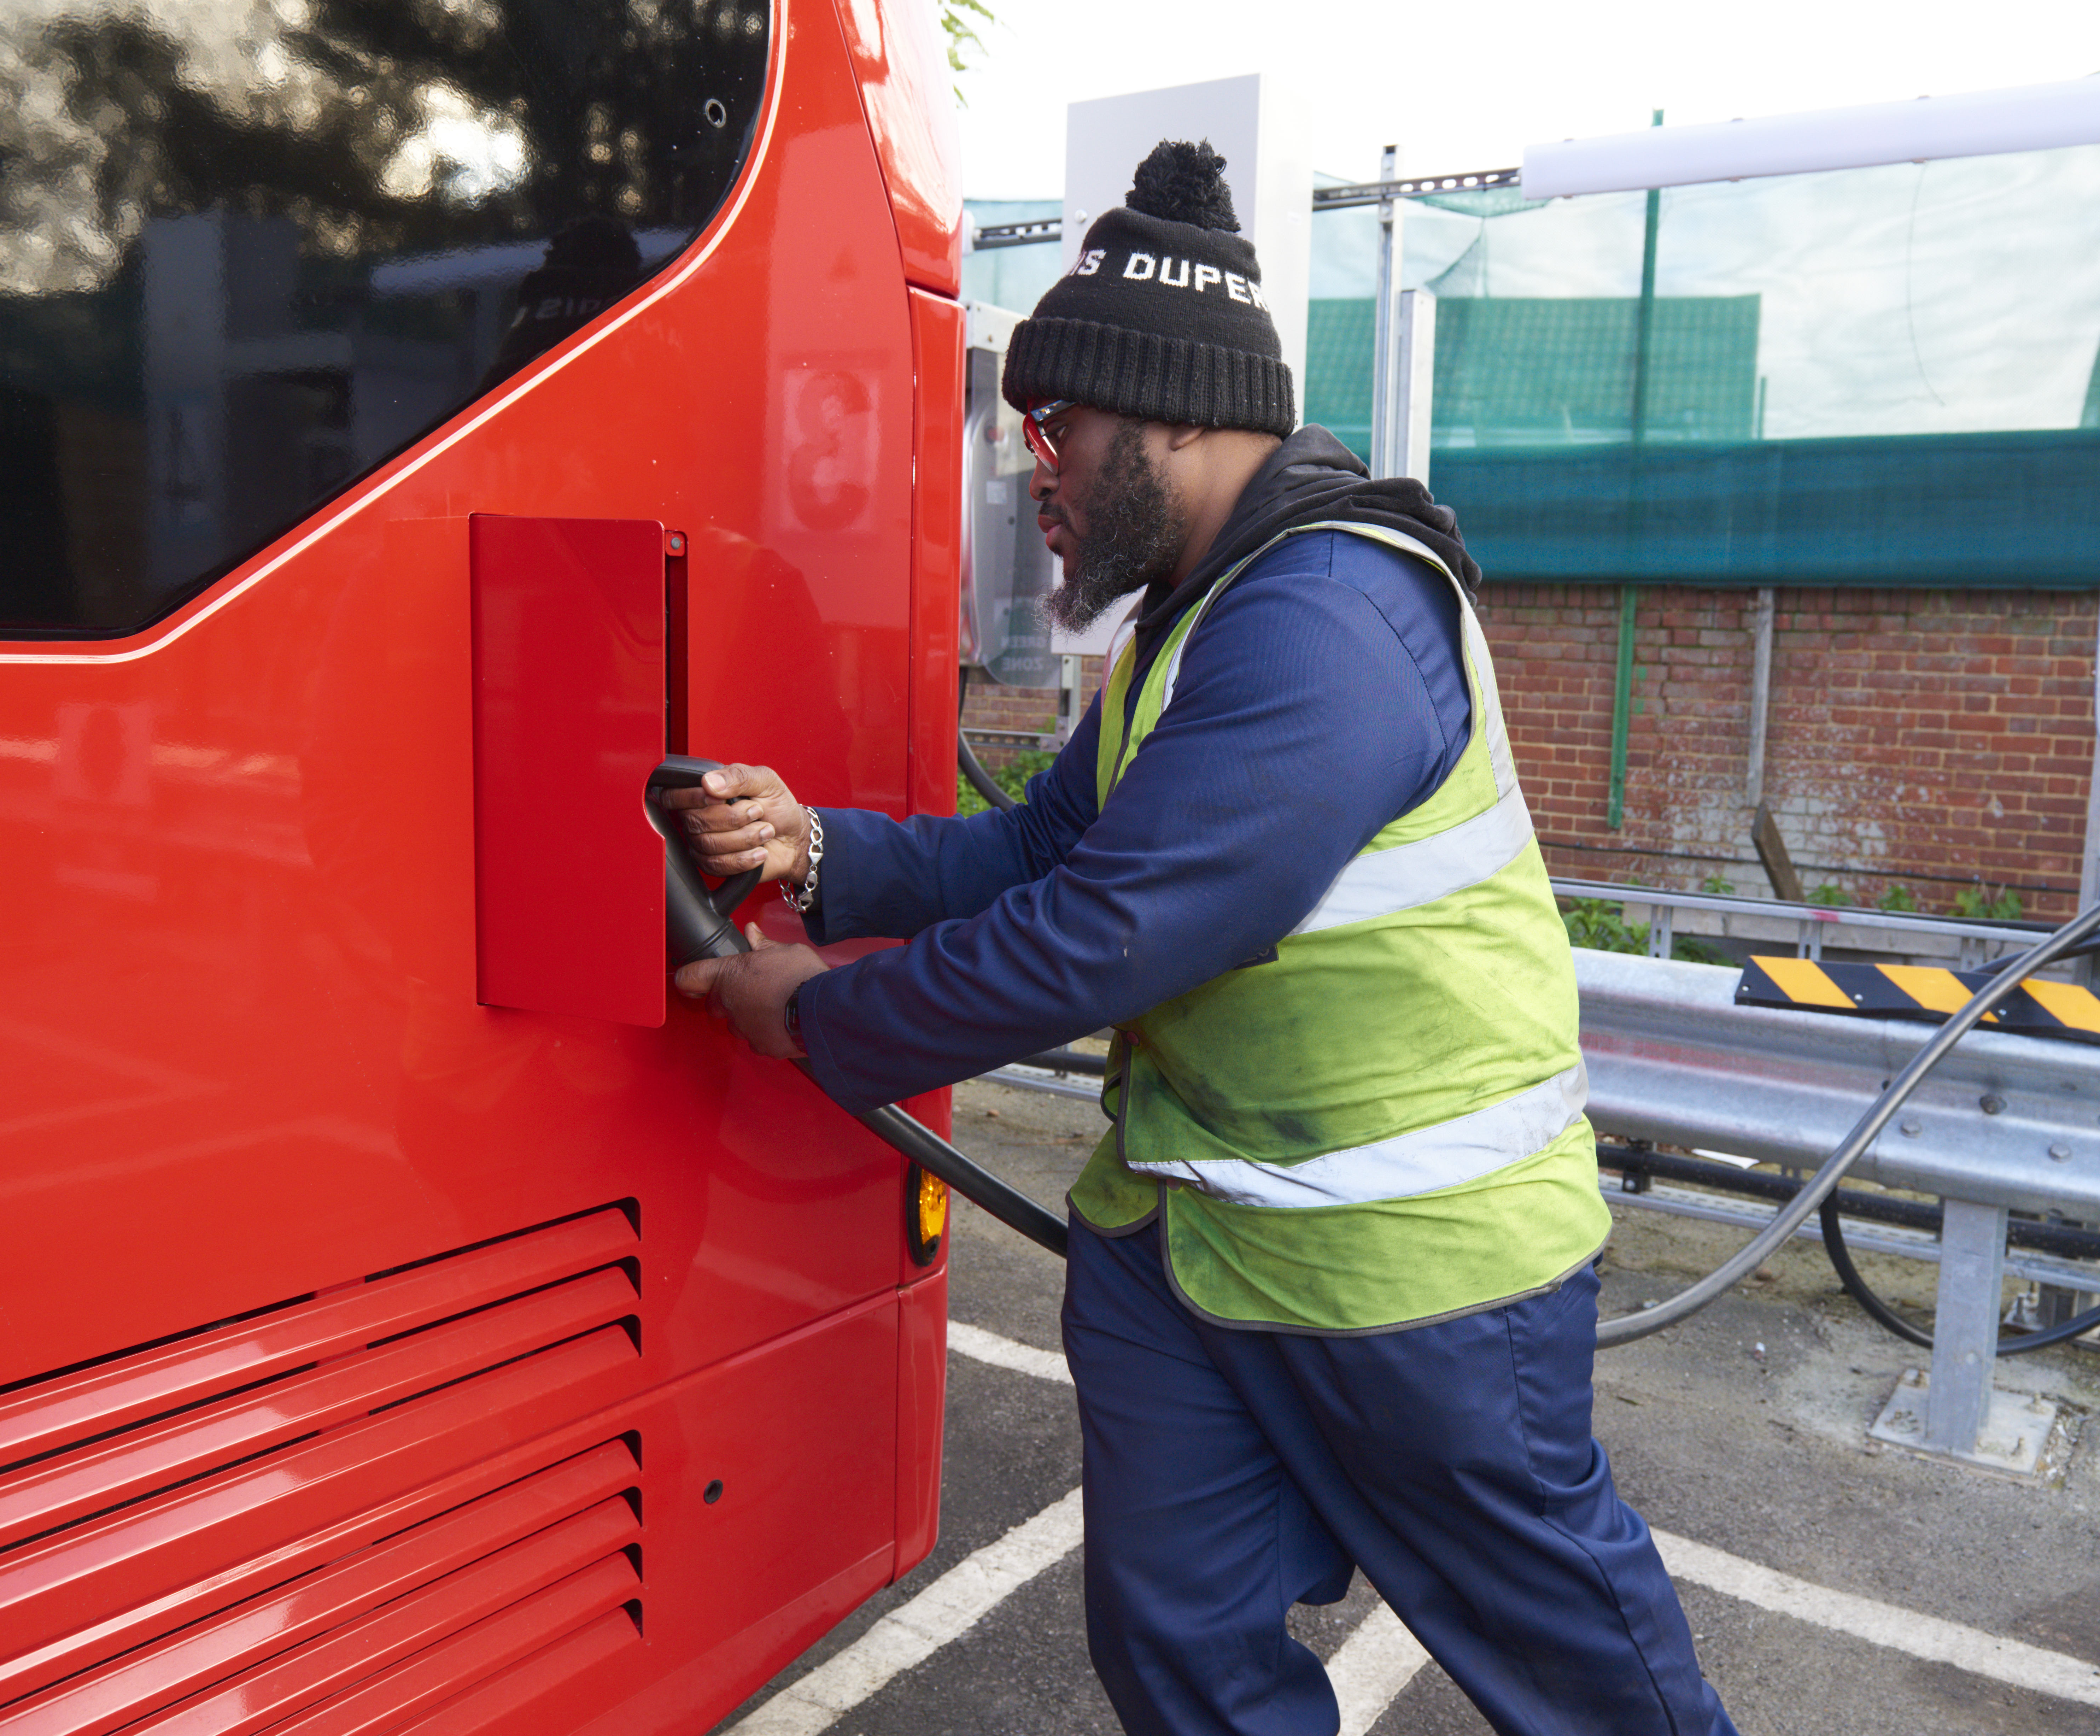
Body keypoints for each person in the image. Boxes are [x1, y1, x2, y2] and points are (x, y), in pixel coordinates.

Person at [670, 139, 1744, 1736]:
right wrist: (814, 852)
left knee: (1573, 1667)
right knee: (1178, 1645)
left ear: (1171, 412)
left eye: (1062, 426)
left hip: (1416, 1279)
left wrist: (808, 1014)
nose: (1033, 467)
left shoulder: (1330, 620)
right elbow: (1045, 843)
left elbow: (1108, 931)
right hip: (1196, 1249)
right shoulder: (1198, 617)